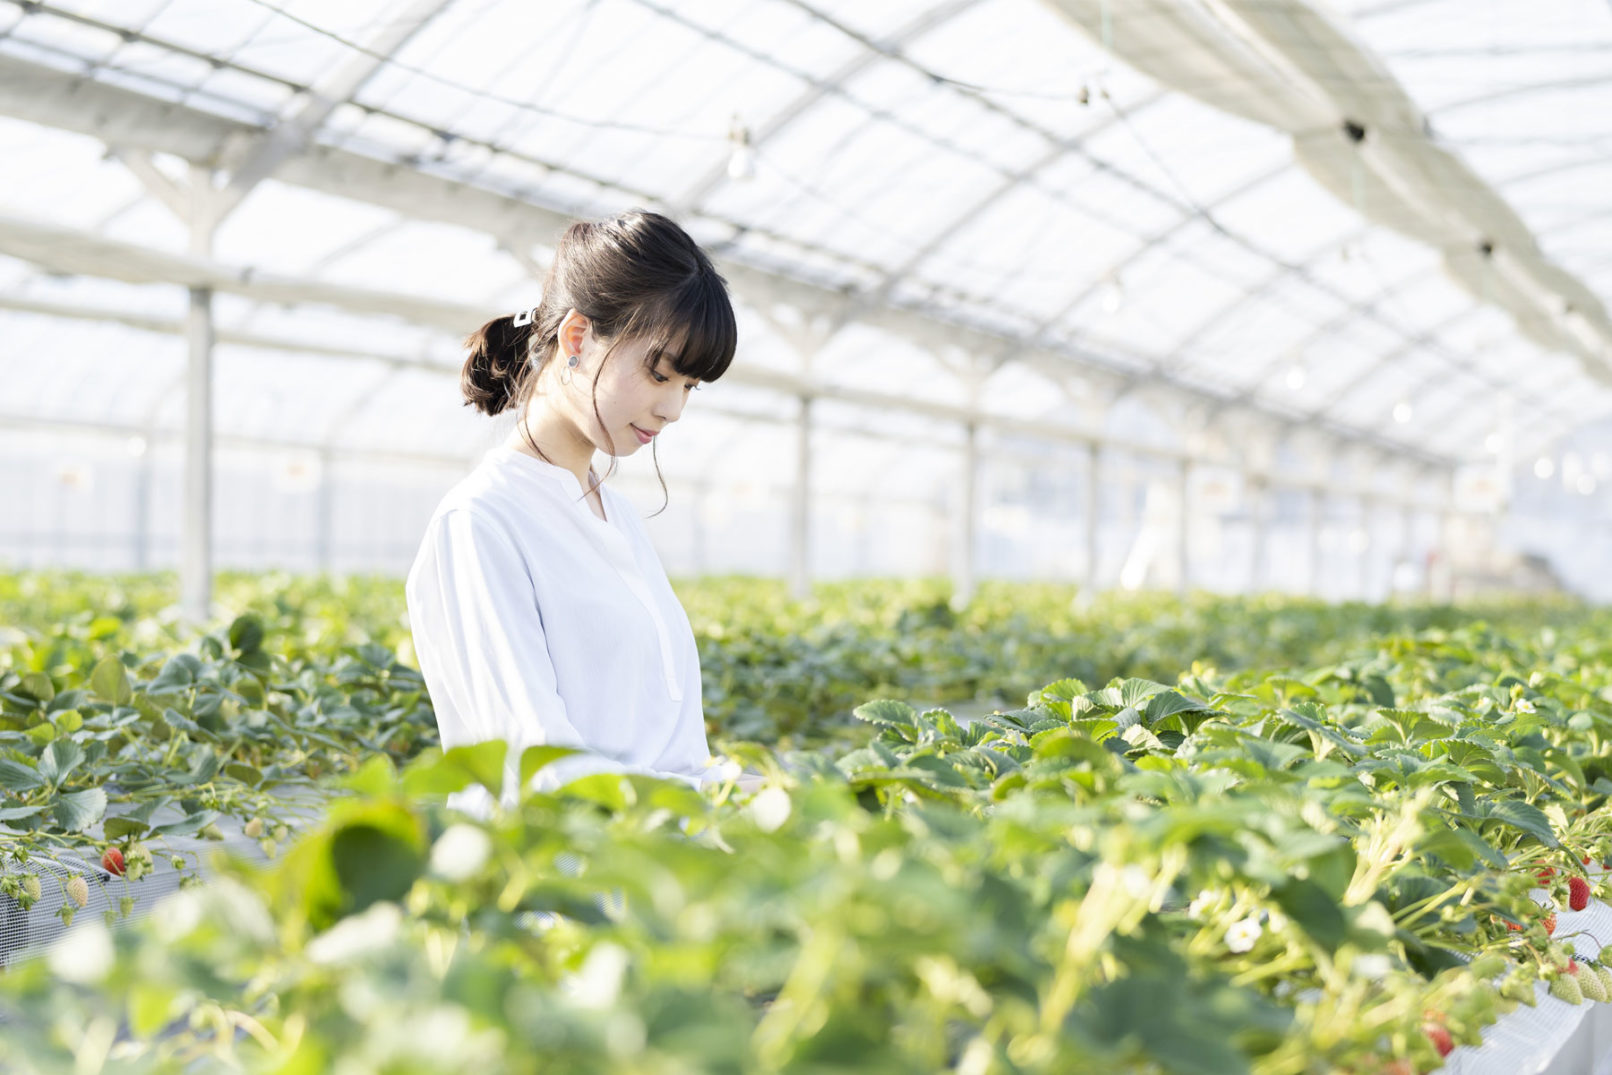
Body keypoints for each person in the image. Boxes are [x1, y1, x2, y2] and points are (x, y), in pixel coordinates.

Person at [405, 209, 758, 819]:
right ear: (575, 339)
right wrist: (712, 797)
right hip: (560, 896)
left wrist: (737, 787)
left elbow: (663, 746)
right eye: (659, 372)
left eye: (690, 386)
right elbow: (536, 768)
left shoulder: (614, 518)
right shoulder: (481, 522)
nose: (673, 408)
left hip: (663, 878)